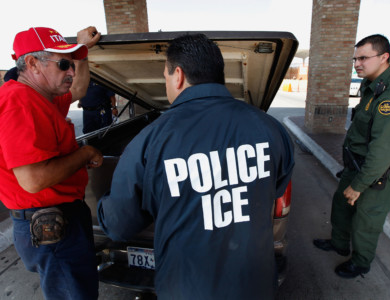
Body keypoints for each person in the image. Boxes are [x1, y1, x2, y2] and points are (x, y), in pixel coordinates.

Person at [97, 33, 294, 299]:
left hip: (187, 289)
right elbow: (274, 186)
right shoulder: (272, 129)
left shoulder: (150, 141)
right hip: (255, 284)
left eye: (165, 76)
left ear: (177, 75)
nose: (167, 81)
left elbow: (119, 224)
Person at [0, 26, 103, 300]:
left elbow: (80, 87)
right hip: (50, 227)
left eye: (70, 64)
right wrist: (85, 153)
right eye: (63, 64)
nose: (70, 72)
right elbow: (33, 180)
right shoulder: (20, 101)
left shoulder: (42, 97)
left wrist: (82, 52)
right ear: (32, 63)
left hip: (61, 220)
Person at [314, 34, 390, 278]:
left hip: (379, 171)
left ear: (384, 57)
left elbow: (383, 149)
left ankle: (361, 262)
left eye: (363, 58)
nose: (357, 63)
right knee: (341, 204)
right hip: (357, 165)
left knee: (366, 219)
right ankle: (339, 244)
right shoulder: (371, 85)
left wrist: (359, 185)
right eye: (355, 59)